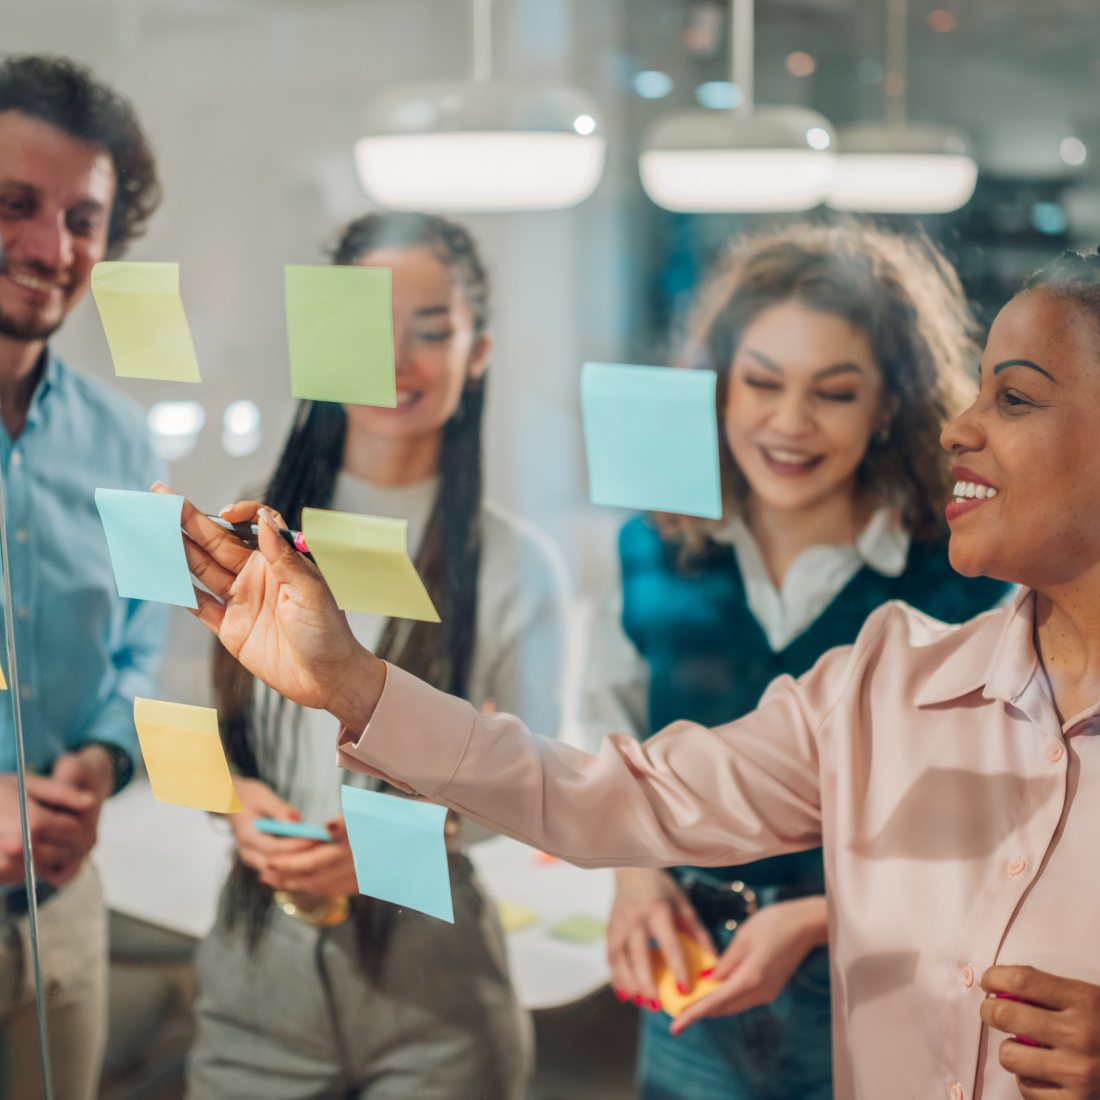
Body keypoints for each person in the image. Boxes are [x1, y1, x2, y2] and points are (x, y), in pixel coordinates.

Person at [172, 244, 1100, 1100]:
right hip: (691, 976)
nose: (960, 431)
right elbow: (609, 792)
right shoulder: (883, 677)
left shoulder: (921, 601)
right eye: (762, 382)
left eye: (1014, 398)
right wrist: (349, 682)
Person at [583, 223, 1011, 1100]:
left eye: (835, 392)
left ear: (891, 403)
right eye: (762, 383)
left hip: (887, 985)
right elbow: (610, 735)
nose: (789, 423)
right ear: (721, 389)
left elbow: (1001, 823)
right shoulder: (652, 553)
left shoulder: (966, 580)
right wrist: (634, 879)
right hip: (690, 971)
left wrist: (823, 920)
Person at [185, 212, 569, 1100]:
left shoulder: (515, 563)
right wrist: (231, 796)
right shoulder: (247, 531)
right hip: (254, 971)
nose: (396, 358)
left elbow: (543, 784)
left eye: (431, 332)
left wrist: (393, 843)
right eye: (364, 324)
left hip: (436, 988)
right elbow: (179, 713)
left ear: (479, 353)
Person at [0, 55, 166, 1100]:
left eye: (84, 219)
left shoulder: (120, 436)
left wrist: (104, 757)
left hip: (60, 914)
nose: (51, 249)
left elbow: (145, 640)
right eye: (15, 204)